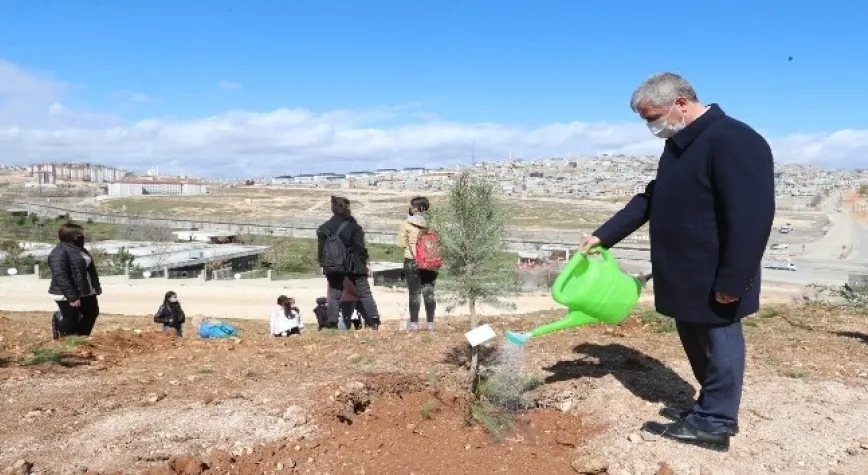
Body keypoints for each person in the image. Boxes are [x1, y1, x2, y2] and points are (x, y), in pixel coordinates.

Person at [579, 73, 775, 452]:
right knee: (697, 342)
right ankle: (710, 407)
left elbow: (751, 217)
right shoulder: (680, 145)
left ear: (681, 102)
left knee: (720, 341)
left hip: (715, 272)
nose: (651, 126)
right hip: (685, 273)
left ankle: (716, 423)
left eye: (653, 117)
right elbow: (653, 199)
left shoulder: (734, 140)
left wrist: (734, 279)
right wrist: (604, 235)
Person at [316, 195, 381, 330]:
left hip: (332, 266)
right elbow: (360, 248)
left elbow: (321, 250)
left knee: (334, 295)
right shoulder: (353, 227)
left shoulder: (323, 228)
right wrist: (364, 262)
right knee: (365, 293)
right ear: (347, 208)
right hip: (354, 265)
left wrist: (323, 265)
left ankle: (333, 324)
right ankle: (374, 321)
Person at [48, 222, 102, 339]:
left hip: (85, 289)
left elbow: (91, 269)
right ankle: (63, 337)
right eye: (79, 234)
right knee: (71, 317)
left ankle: (80, 337)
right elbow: (60, 276)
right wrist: (72, 296)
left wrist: (96, 285)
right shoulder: (58, 253)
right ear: (69, 236)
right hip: (66, 292)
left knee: (92, 312)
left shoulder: (81, 250)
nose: (82, 236)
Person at [397, 196, 437, 331]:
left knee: (414, 293)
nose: (410, 207)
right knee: (429, 292)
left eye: (412, 206)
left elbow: (401, 243)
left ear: (417, 208)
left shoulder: (407, 223)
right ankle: (430, 323)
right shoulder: (434, 223)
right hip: (431, 261)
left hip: (412, 260)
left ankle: (414, 323)